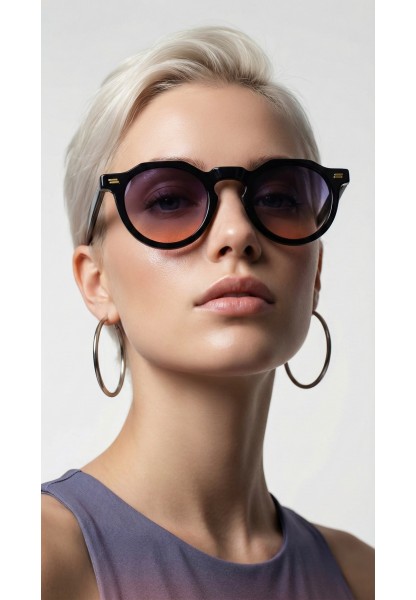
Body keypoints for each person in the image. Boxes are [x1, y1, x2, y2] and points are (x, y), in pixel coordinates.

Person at [41, 26, 374, 600]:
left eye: (278, 197)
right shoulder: (39, 558)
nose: (237, 233)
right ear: (96, 281)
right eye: (169, 199)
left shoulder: (366, 577)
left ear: (316, 270)